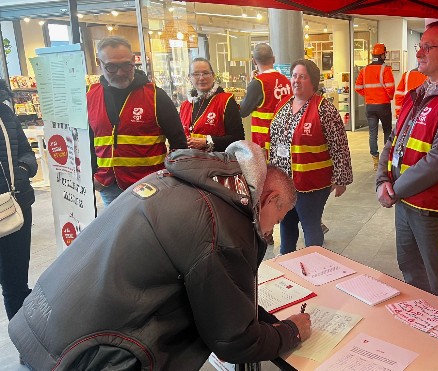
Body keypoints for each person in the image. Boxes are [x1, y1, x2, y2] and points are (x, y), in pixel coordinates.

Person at [9, 141, 312, 369]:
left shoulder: (184, 182)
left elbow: (223, 294)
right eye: (280, 215)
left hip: (43, 323)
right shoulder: (223, 225)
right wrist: (290, 332)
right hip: (85, 355)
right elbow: (235, 342)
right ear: (271, 198)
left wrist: (264, 321)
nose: (273, 229)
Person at [375, 21, 438, 302]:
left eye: (427, 47)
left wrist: (394, 189)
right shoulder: (417, 93)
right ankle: (421, 325)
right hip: (405, 203)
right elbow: (392, 141)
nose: (419, 52)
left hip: (431, 210)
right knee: (410, 270)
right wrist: (382, 179)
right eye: (420, 46)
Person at [87, 36, 187, 206]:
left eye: (126, 65)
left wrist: (173, 178)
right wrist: (92, 176)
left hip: (151, 185)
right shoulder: (91, 96)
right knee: (117, 232)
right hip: (109, 186)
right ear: (99, 63)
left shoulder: (156, 96)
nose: (120, 72)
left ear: (134, 61)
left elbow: (179, 143)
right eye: (111, 67)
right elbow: (88, 142)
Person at [269, 59, 352, 255]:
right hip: (284, 183)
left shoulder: (324, 109)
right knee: (286, 227)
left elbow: (339, 146)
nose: (296, 80)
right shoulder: (283, 106)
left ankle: (316, 265)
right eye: (294, 76)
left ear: (312, 81)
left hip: (312, 185)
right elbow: (274, 142)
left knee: (310, 226)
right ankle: (287, 266)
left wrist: (341, 180)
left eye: (302, 76)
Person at [0, 80, 37, 324]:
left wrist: (23, 169)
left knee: (15, 282)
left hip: (15, 205)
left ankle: (24, 340)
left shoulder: (5, 112)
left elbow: (26, 151)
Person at [180, 57, 245, 152]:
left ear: (213, 76)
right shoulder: (185, 105)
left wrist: (207, 142)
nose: (201, 78)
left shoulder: (226, 101)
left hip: (218, 163)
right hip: (189, 162)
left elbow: (238, 138)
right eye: (196, 74)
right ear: (189, 77)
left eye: (206, 73)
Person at [239, 43, 291, 156]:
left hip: (265, 143)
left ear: (254, 61)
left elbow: (243, 111)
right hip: (286, 139)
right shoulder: (287, 81)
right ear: (273, 59)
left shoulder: (258, 83)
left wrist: (251, 84)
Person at [355, 43, 395, 170]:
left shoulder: (364, 70)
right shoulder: (385, 69)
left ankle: (375, 161)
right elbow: (390, 87)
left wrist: (367, 95)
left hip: (370, 106)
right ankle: (386, 158)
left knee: (373, 133)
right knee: (387, 131)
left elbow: (358, 88)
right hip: (383, 105)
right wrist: (388, 97)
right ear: (382, 55)